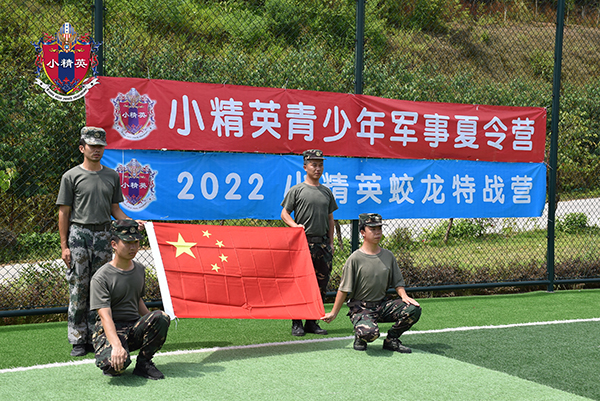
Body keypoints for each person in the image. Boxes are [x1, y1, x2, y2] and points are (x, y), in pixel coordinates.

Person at [56, 126, 136, 357]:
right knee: (78, 286)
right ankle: (78, 338)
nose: (96, 150)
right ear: (82, 148)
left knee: (99, 287)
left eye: (100, 146)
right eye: (92, 146)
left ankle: (96, 335)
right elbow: (63, 212)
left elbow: (115, 209)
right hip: (79, 235)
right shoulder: (71, 176)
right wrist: (64, 246)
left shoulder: (111, 176)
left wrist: (131, 224)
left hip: (103, 235)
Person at [322, 213, 421, 352]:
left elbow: (398, 282)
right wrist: (333, 313)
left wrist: (404, 296)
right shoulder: (355, 259)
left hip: (382, 305)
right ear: (363, 232)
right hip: (362, 308)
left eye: (379, 228)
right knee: (370, 334)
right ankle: (360, 336)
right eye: (373, 229)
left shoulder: (388, 256)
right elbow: (343, 289)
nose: (377, 232)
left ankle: (391, 340)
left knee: (413, 309)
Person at [90, 219, 171, 379]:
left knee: (161, 317)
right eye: (127, 243)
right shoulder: (101, 277)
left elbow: (137, 299)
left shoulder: (139, 269)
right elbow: (105, 316)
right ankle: (115, 354)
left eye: (136, 242)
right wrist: (116, 345)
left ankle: (144, 364)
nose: (133, 247)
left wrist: (154, 326)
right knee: (114, 367)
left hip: (133, 327)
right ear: (114, 244)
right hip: (111, 329)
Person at [281, 149, 338, 336]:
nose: (317, 168)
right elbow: (284, 214)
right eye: (314, 164)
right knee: (300, 284)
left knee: (320, 285)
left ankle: (312, 322)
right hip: (304, 244)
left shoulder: (326, 192)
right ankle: (296, 322)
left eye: (320, 165)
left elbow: (330, 218)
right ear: (305, 167)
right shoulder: (297, 190)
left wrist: (331, 243)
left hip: (323, 245)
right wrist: (295, 226)